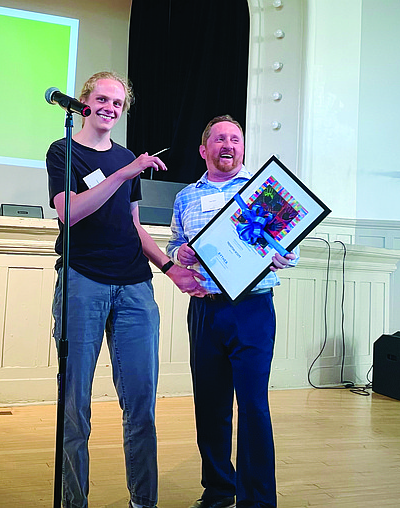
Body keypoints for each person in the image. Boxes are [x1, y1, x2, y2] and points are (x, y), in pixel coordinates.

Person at [46, 71, 207, 508]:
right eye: (102, 99)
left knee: (141, 406)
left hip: (135, 287)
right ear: (84, 102)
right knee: (74, 407)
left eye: (118, 103)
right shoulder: (64, 151)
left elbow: (134, 225)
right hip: (83, 280)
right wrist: (124, 173)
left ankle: (144, 502)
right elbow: (69, 214)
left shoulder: (124, 157)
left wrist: (170, 267)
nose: (109, 108)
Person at [166, 115, 298, 508]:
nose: (228, 144)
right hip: (206, 310)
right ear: (204, 150)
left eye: (236, 139)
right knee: (210, 404)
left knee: (254, 405)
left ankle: (257, 499)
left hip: (253, 309)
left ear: (243, 148)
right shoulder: (186, 196)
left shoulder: (266, 193)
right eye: (219, 139)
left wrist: (281, 257)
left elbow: (291, 246)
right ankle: (219, 489)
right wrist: (178, 253)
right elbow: (174, 241)